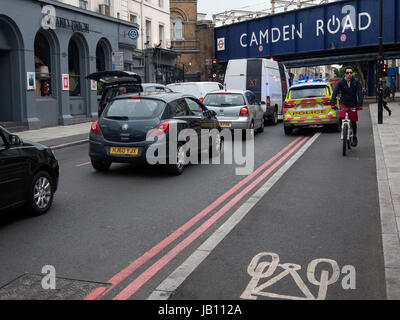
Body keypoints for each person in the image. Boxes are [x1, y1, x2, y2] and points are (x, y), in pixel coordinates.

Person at [330, 66, 363, 147]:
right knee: (341, 117)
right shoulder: (340, 82)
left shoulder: (356, 81)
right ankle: (344, 131)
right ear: (344, 74)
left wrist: (359, 105)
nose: (349, 74)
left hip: (353, 104)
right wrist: (332, 104)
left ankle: (354, 136)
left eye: (351, 73)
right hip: (343, 103)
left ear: (352, 73)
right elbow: (335, 93)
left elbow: (360, 93)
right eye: (347, 73)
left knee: (353, 121)